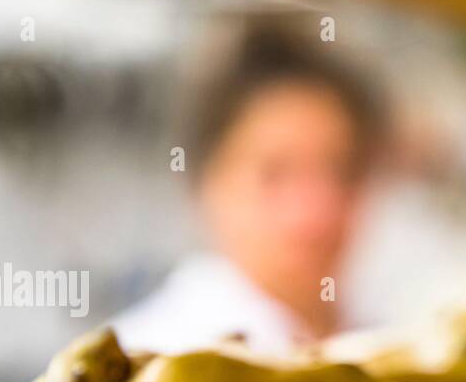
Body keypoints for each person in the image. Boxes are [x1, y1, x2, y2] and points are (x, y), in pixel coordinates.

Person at [112, 26, 384, 357]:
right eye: (275, 173)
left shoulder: (392, 352)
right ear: (205, 181)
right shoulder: (141, 363)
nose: (316, 210)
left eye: (342, 172)